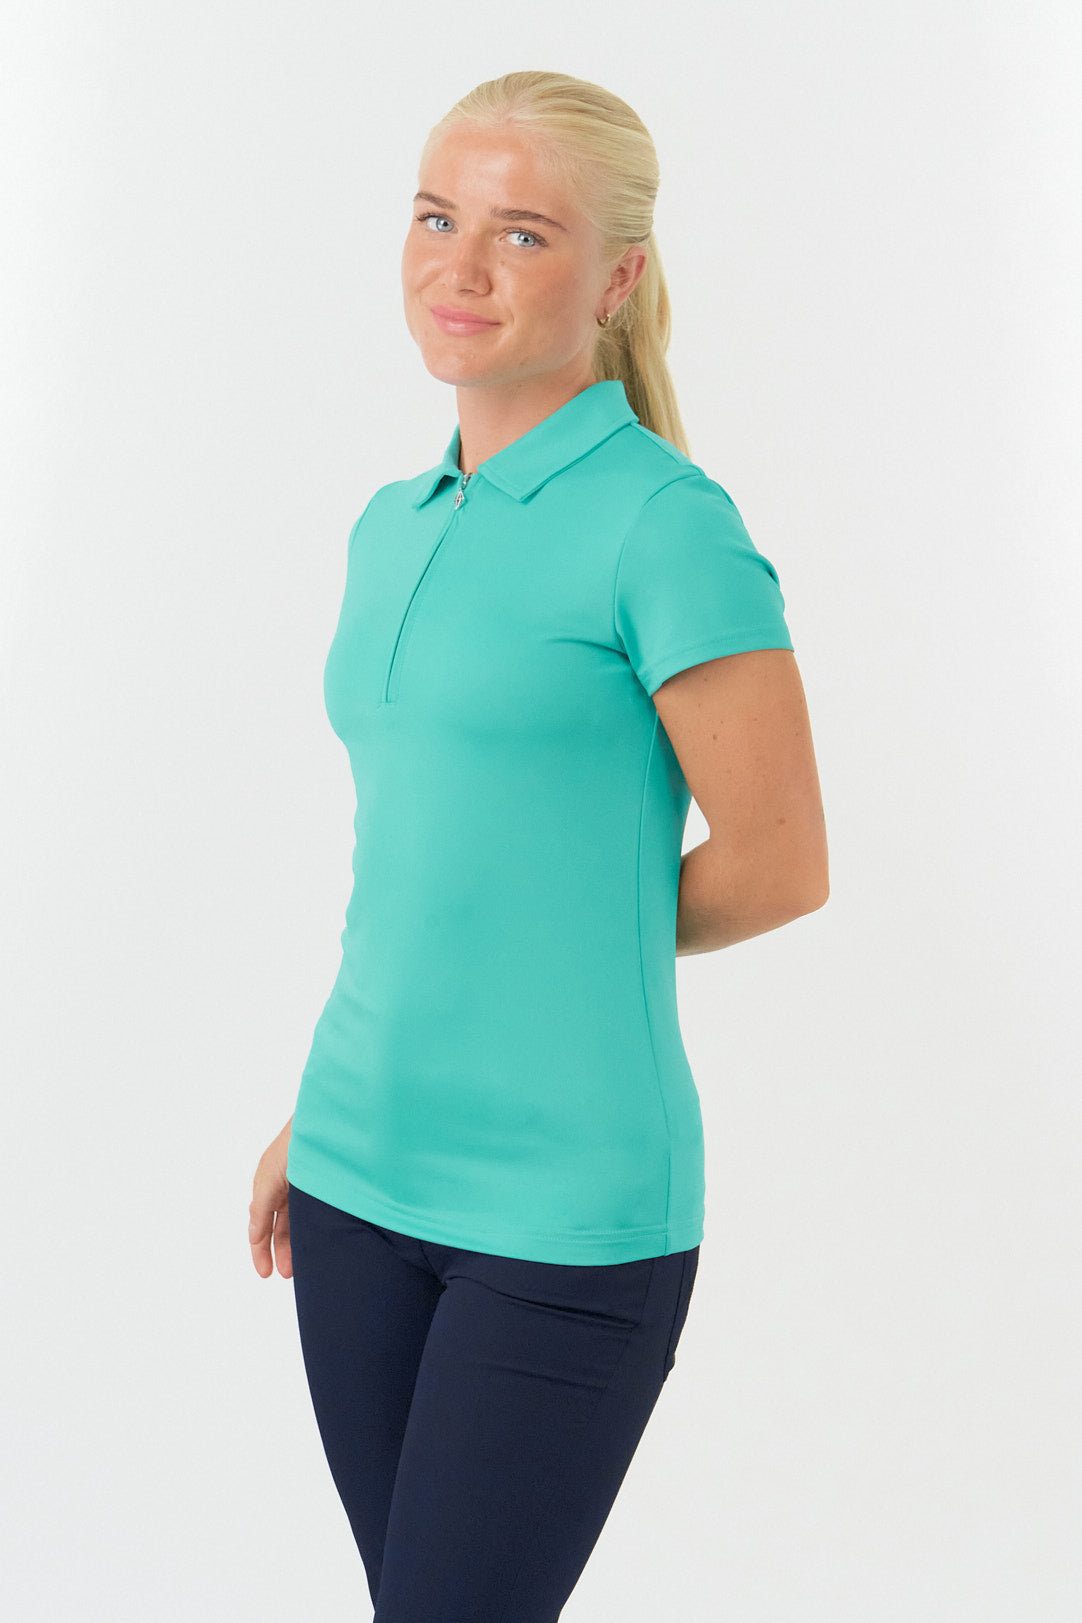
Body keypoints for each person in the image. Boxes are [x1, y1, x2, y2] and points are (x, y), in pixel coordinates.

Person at [248, 69, 828, 1622]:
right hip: (356, 1174)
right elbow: (421, 867)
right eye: (436, 218)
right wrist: (321, 1112)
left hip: (563, 1215)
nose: (461, 267)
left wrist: (573, 932)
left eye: (521, 234)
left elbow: (780, 860)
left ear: (616, 279)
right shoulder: (391, 522)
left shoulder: (665, 525)